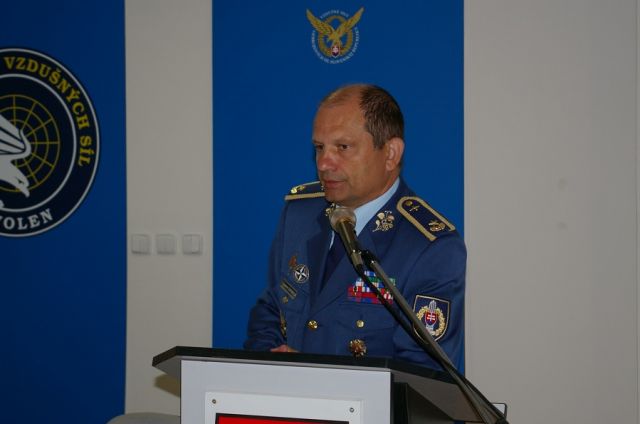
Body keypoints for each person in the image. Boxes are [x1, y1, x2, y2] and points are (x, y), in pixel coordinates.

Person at [244, 84, 466, 370]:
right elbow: (271, 309)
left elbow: (422, 375)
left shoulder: (429, 248)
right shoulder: (300, 213)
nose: (324, 163)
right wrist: (272, 361)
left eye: (343, 147)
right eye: (319, 148)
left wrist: (314, 381)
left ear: (390, 154)